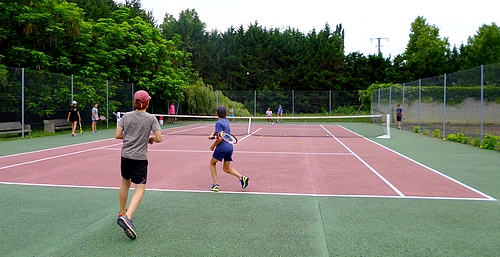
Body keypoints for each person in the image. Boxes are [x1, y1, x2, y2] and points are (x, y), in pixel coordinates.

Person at [115, 90, 163, 240]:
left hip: (125, 156)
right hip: (139, 158)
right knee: (140, 189)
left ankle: (122, 211)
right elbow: (159, 138)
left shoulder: (126, 116)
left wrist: (131, 137)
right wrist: (149, 139)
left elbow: (117, 135)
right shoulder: (151, 118)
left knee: (125, 183)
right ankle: (127, 217)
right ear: (147, 102)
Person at [208, 106, 248, 192]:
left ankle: (216, 185)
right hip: (230, 147)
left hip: (222, 147)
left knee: (212, 163)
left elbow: (220, 138)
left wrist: (212, 146)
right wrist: (212, 135)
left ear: (216, 113)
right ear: (226, 114)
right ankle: (242, 178)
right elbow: (220, 133)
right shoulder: (226, 121)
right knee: (226, 168)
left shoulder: (218, 123)